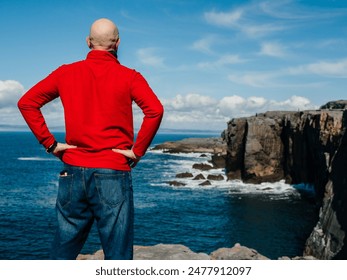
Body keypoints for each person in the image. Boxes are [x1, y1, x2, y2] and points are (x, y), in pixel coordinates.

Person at [17, 18, 164, 260]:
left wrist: (50, 144)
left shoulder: (66, 72)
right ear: (117, 43)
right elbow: (155, 110)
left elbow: (27, 103)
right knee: (117, 255)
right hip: (113, 171)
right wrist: (138, 151)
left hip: (73, 171)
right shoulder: (129, 76)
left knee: (63, 250)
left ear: (88, 42)